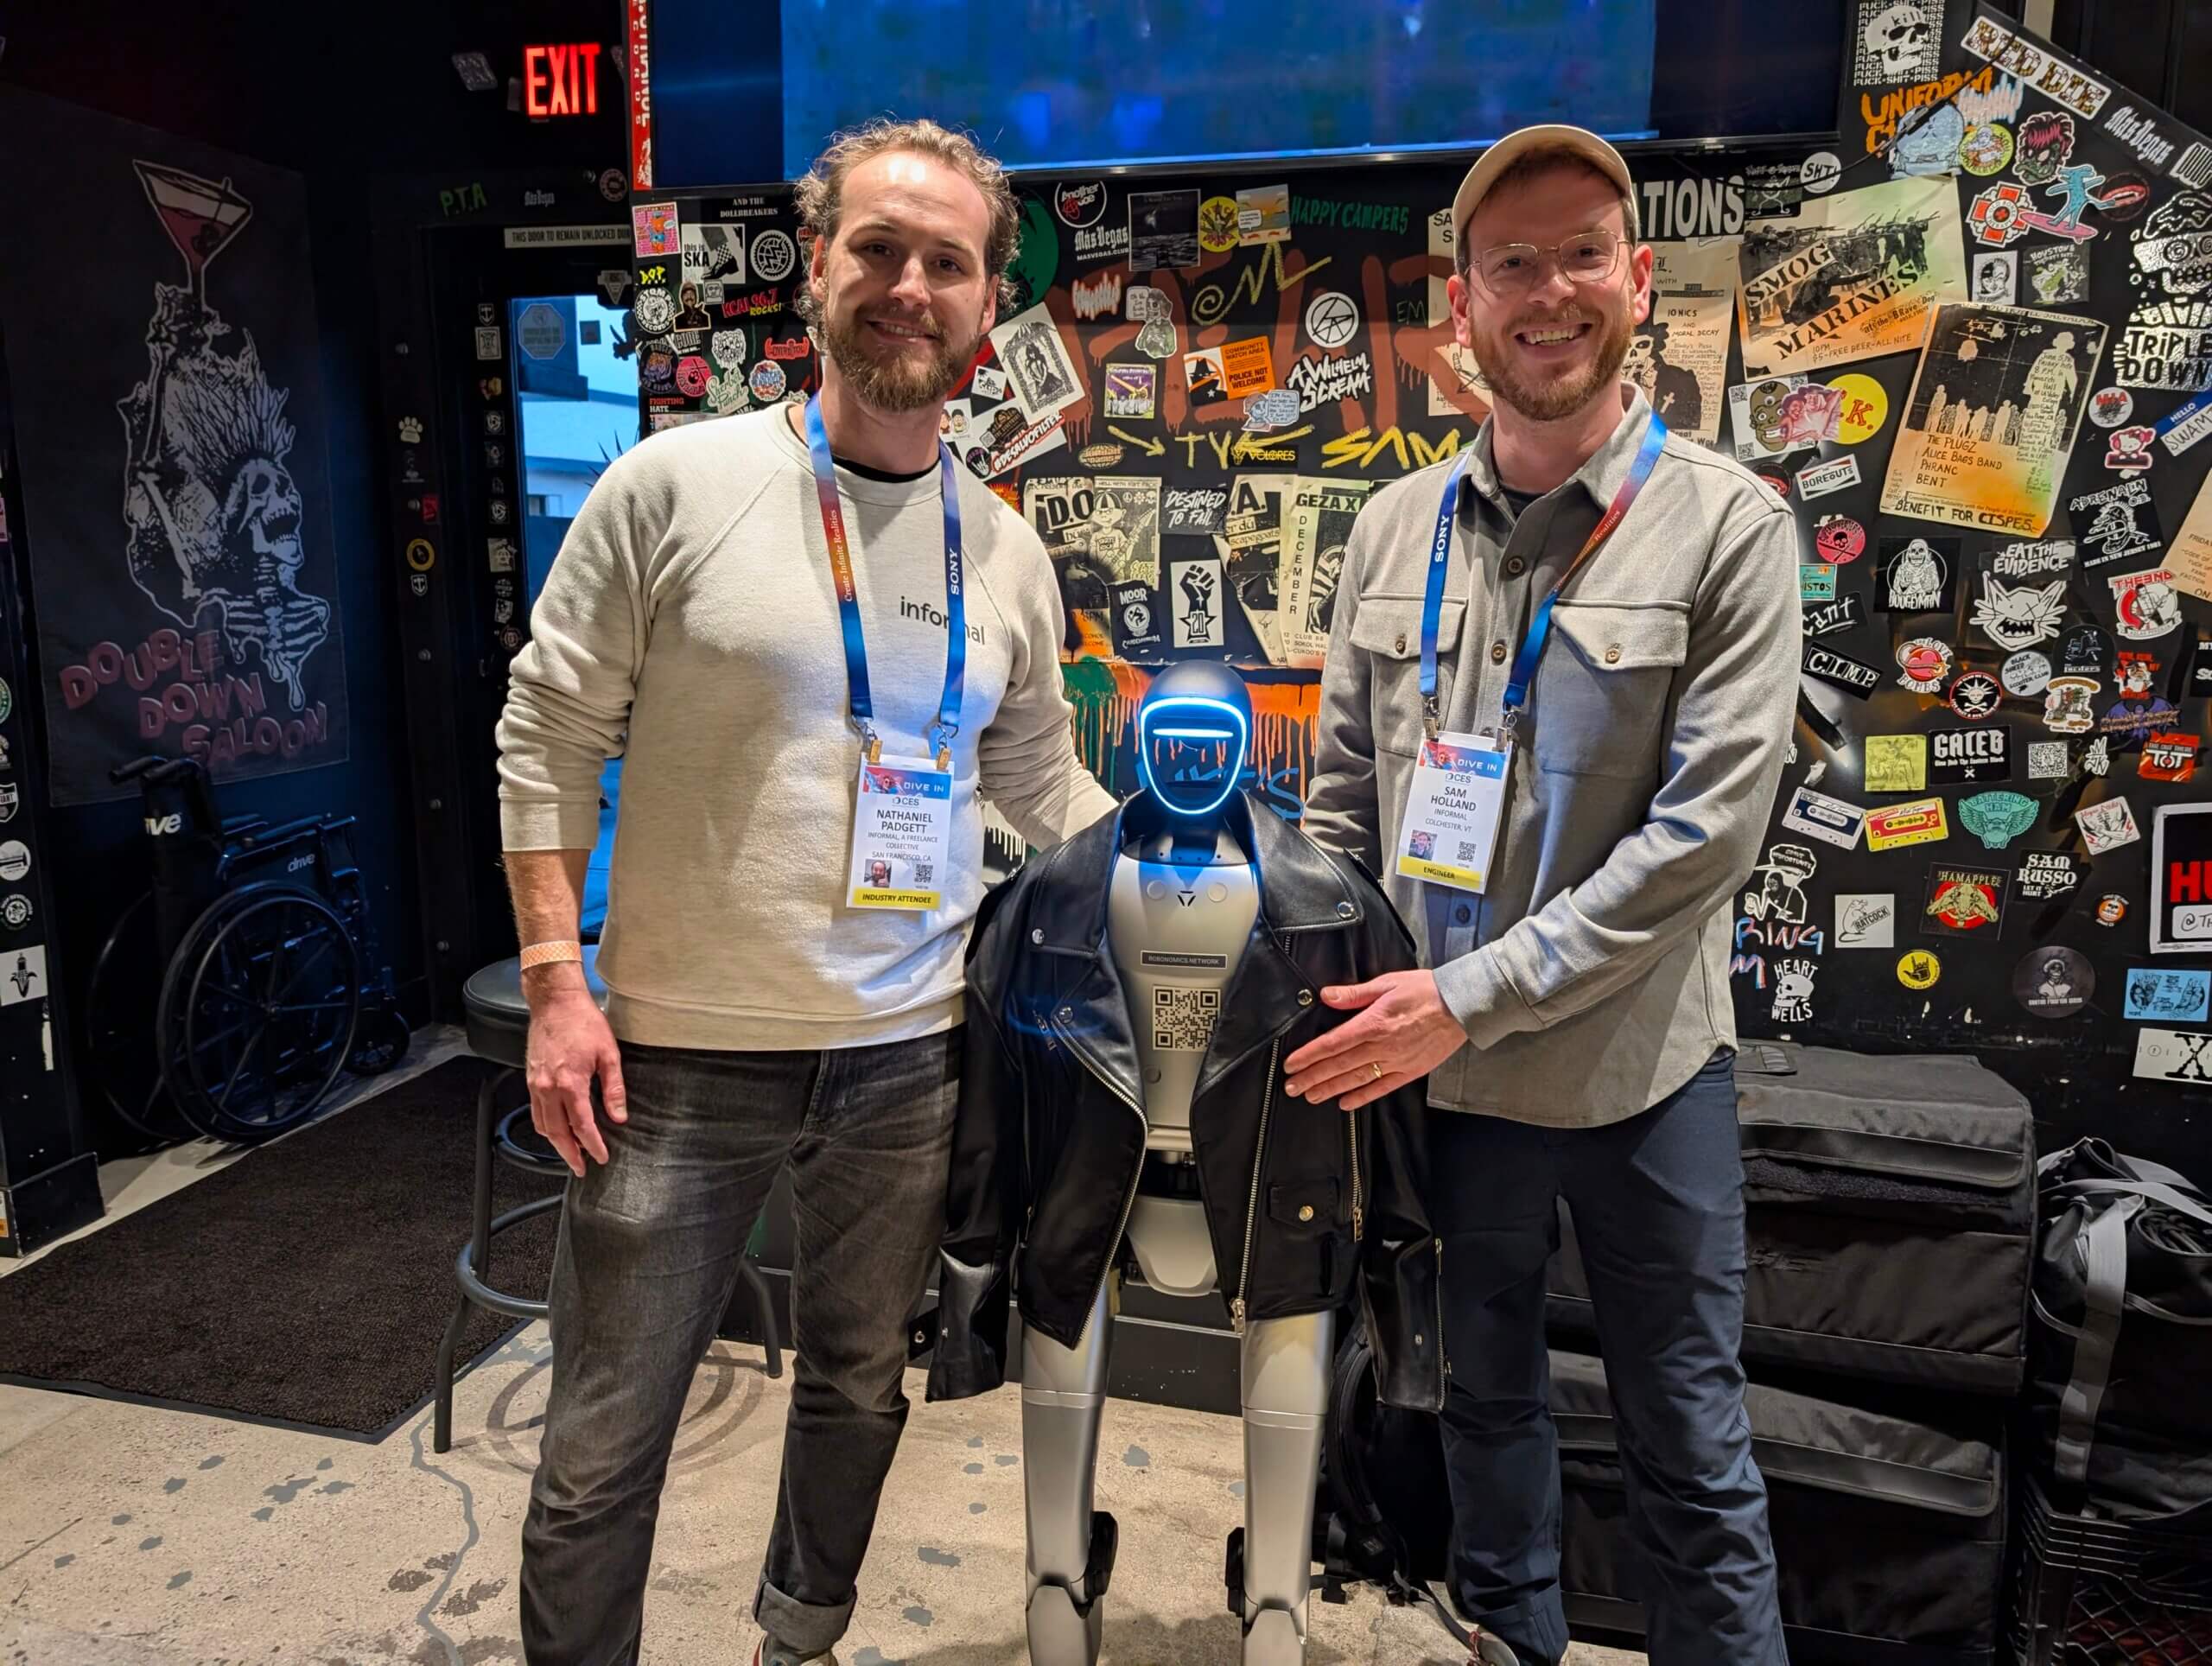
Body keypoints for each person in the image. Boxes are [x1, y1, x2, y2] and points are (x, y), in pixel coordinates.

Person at [498, 117, 1117, 1666]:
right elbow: (546, 730)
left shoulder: (1007, 551)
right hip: (673, 1059)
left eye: (950, 263)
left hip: (908, 1061)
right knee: (601, 1447)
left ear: (988, 311)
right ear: (817, 274)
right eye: (879, 250)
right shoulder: (670, 487)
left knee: (857, 1387)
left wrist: (1216, 852)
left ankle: (800, 1640)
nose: (911, 285)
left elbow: (1045, 795)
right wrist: (555, 985)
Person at [1292, 124, 1798, 1665]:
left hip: (1644, 1083)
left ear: (1640, 281)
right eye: (1513, 261)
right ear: (1464, 305)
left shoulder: (1730, 528)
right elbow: (1343, 811)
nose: (1550, 289)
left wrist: (1463, 999)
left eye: (1583, 252)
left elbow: (1704, 843)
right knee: (1481, 1425)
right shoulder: (1392, 531)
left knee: (1692, 1461)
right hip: (1442, 1097)